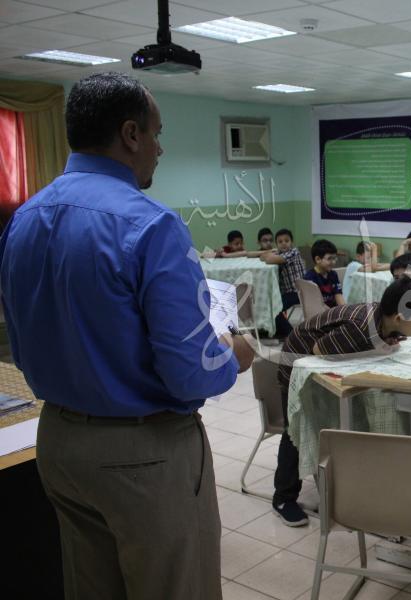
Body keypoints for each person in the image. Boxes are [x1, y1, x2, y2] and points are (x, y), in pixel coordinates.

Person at [0, 72, 255, 600]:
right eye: (157, 133)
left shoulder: (23, 218)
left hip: (59, 442)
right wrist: (233, 353)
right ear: (131, 134)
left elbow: (21, 344)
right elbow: (189, 375)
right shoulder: (152, 226)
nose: (160, 149)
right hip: (144, 454)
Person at [272, 277, 411, 525]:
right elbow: (319, 350)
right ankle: (283, 498)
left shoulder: (383, 320)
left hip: (318, 365)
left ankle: (350, 485)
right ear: (399, 318)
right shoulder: (360, 326)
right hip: (297, 366)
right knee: (296, 430)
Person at [260, 228, 307, 338]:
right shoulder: (280, 253)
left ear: (292, 242)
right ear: (276, 244)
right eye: (280, 242)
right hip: (289, 292)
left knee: (275, 308)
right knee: (270, 304)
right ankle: (277, 331)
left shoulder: (293, 252)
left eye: (286, 241)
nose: (284, 243)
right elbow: (262, 257)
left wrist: (269, 255)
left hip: (298, 292)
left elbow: (268, 259)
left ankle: (292, 334)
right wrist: (270, 254)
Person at [304, 238, 344, 307]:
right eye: (329, 258)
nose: (333, 262)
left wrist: (344, 309)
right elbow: (313, 304)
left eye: (334, 258)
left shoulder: (333, 274)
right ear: (318, 259)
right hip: (318, 311)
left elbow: (338, 295)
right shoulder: (309, 278)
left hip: (333, 310)